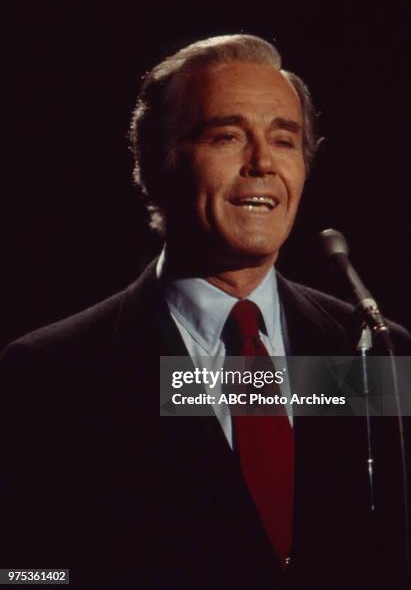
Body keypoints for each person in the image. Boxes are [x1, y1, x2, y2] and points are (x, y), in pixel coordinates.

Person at [1, 34, 410, 590]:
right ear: (156, 161)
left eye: (284, 141)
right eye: (227, 136)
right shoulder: (52, 372)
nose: (263, 162)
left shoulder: (374, 350)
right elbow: (26, 573)